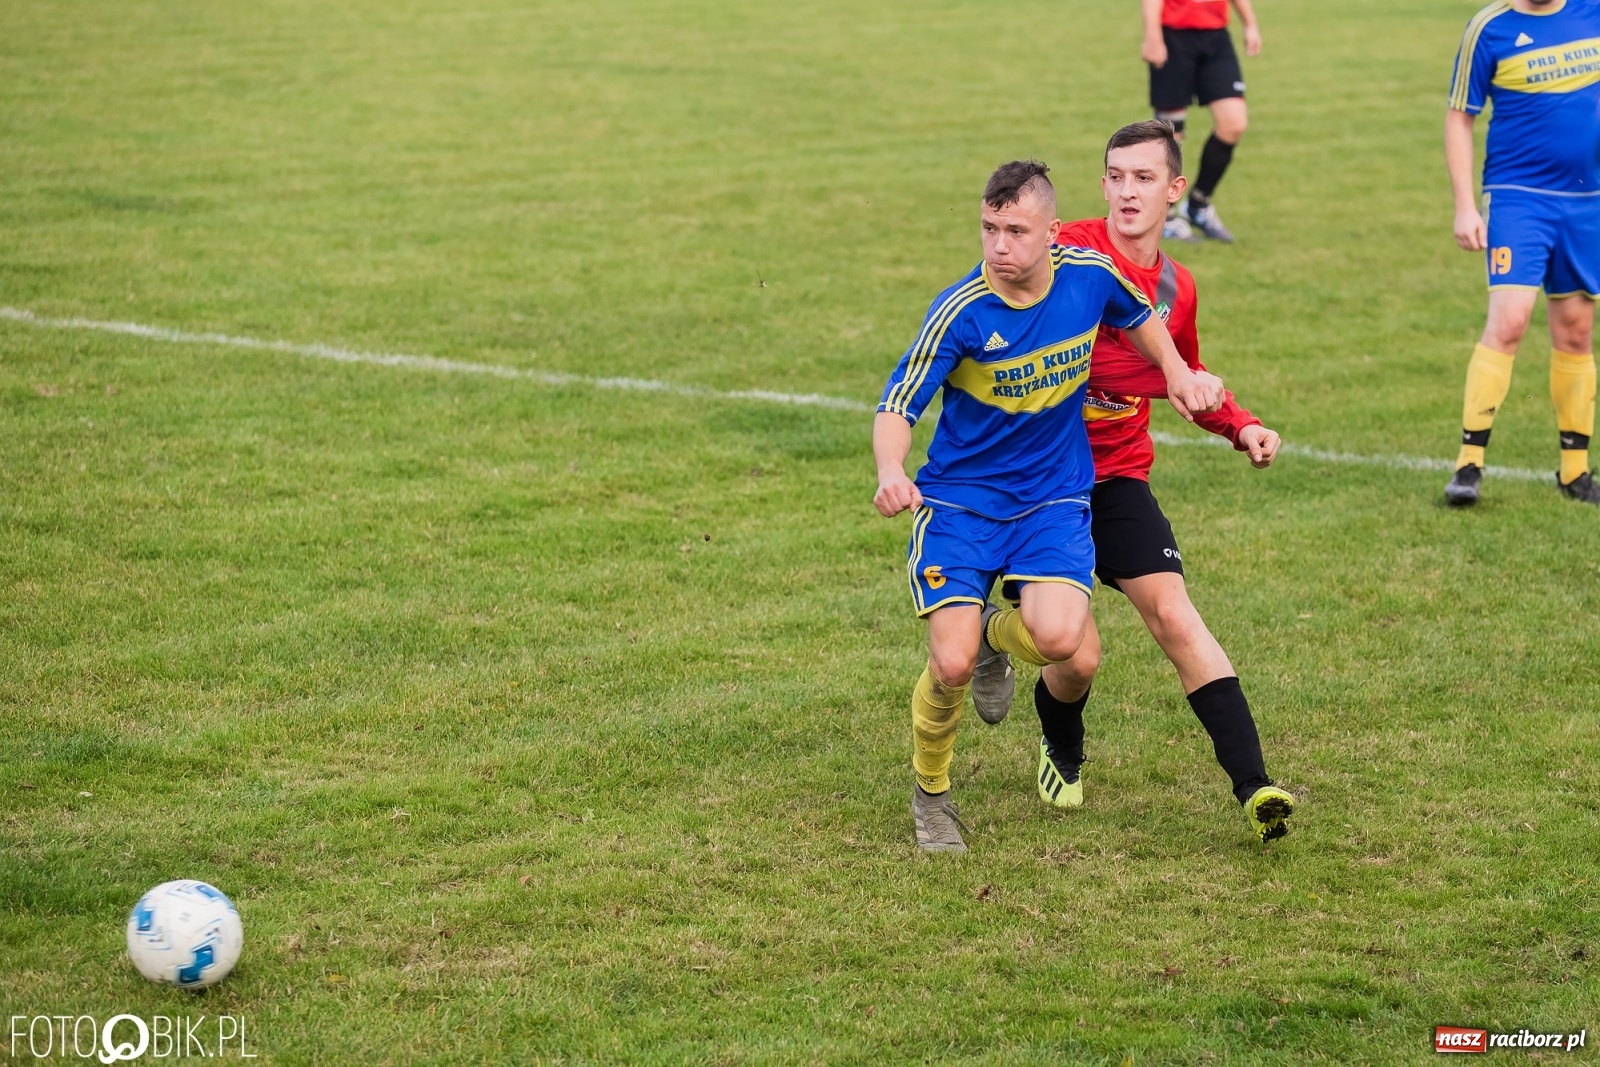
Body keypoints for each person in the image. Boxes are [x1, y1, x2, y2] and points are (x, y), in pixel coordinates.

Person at [873, 159, 1225, 854]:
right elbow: (897, 402)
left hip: (1051, 499)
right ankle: (932, 795)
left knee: (1065, 642)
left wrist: (1179, 372)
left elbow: (1141, 314)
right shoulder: (961, 311)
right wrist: (891, 468)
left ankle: (991, 638)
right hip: (961, 505)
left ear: (1052, 232)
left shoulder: (1088, 276)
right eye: (988, 228)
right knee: (947, 662)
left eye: (1015, 230)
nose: (999, 246)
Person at [1441, 0, 1600, 507]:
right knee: (1509, 320)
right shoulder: (1489, 29)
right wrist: (1466, 206)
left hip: (1587, 199)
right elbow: (1459, 117)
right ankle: (1469, 464)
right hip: (1518, 197)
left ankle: (1575, 472)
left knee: (1576, 329)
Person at [1141, 0, 1261, 243]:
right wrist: (1153, 35)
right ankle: (1164, 215)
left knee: (1233, 124)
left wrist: (1250, 24)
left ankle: (1197, 204)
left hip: (1216, 39)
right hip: (1173, 36)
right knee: (1170, 133)